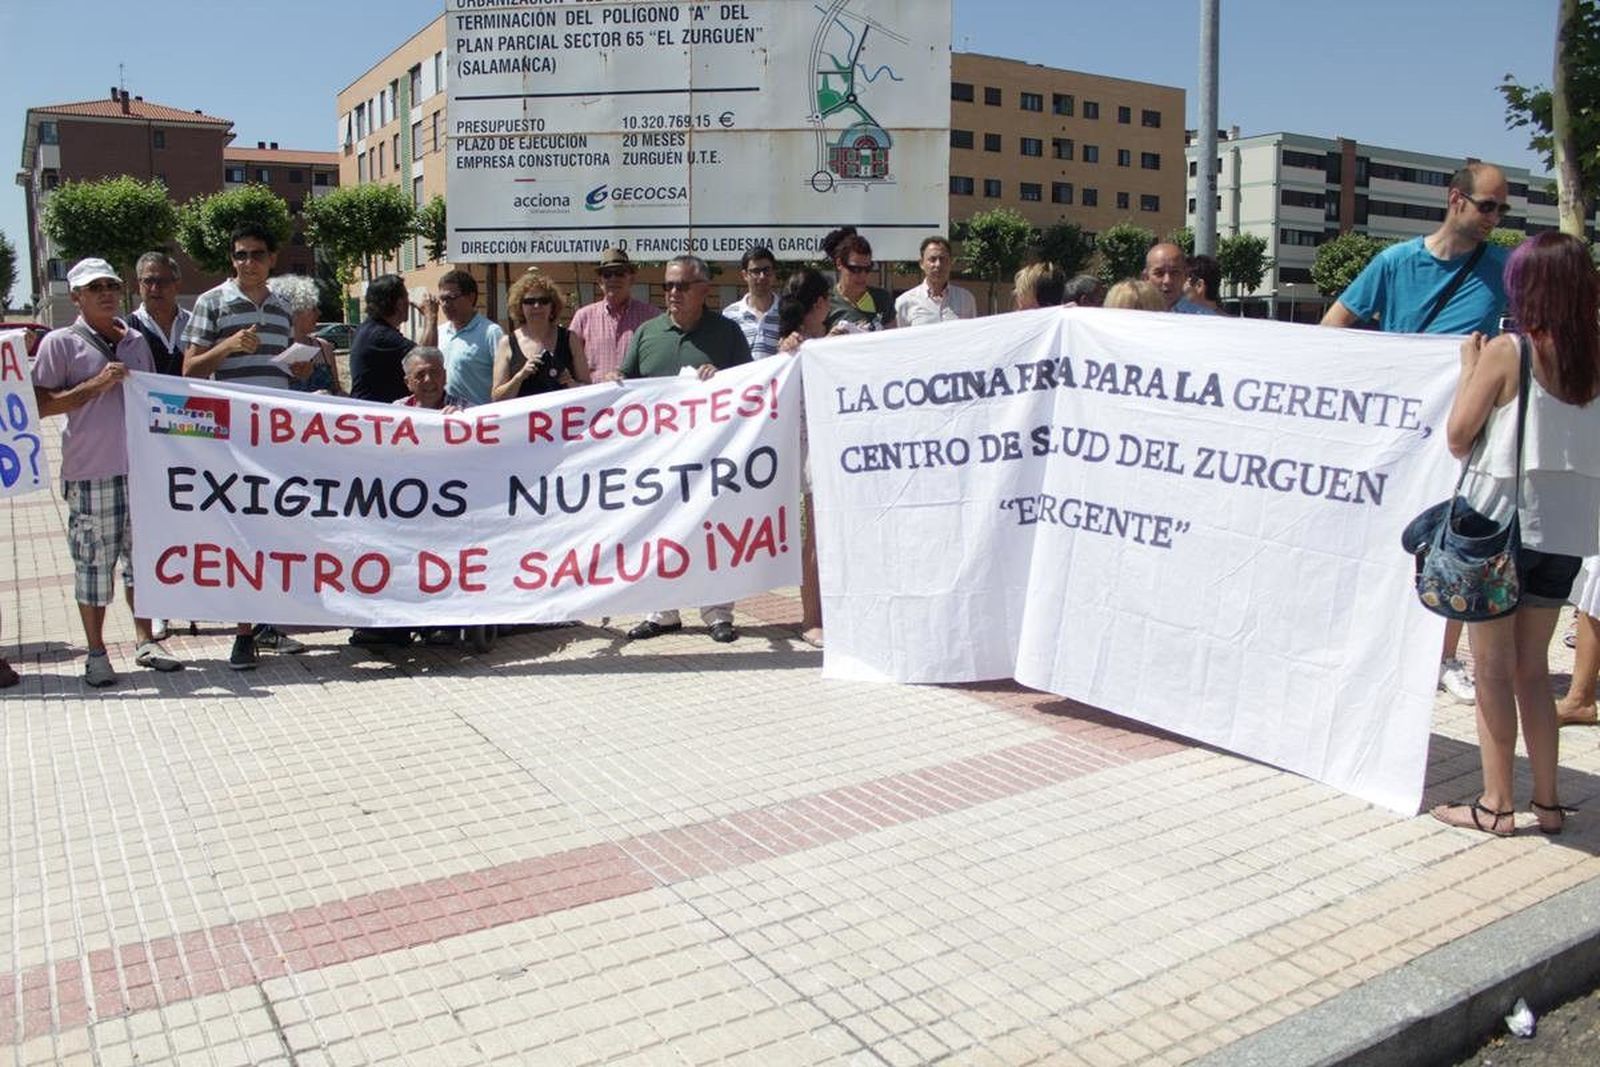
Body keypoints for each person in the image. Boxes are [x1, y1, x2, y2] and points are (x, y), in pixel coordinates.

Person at [1322, 163, 1514, 706]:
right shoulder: (1395, 262)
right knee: (1385, 534)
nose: (1495, 219)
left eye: (1501, 209)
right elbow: (1333, 327)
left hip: (1463, 430)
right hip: (1397, 429)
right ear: (1456, 199)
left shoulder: (1503, 267)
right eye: (1487, 206)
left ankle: (1445, 656)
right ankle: (1379, 644)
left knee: (1453, 538)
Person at [1430, 232, 1600, 837]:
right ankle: (1549, 802)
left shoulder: (1510, 351)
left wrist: (1471, 369)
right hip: (1565, 530)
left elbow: (1457, 436)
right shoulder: (1595, 357)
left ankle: (1496, 804)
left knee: (1493, 672)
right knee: (1533, 670)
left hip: (1497, 524)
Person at [31, 257, 185, 686]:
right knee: (93, 565)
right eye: (94, 287)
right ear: (76, 296)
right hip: (91, 471)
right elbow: (40, 404)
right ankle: (96, 653)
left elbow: (154, 400)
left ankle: (145, 640)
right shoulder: (59, 343)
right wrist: (93, 387)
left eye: (111, 285)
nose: (105, 293)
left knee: (143, 561)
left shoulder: (135, 340)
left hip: (140, 471)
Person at [182, 224, 310, 668]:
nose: (248, 262)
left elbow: (277, 369)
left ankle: (266, 624)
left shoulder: (281, 307)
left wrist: (294, 371)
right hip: (231, 441)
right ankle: (242, 635)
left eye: (256, 254)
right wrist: (228, 345)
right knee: (239, 536)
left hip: (273, 441)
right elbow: (191, 372)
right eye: (240, 255)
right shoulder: (211, 302)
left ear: (272, 258)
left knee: (272, 533)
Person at [612, 255, 753, 644]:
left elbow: (749, 386)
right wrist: (615, 380)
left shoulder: (727, 333)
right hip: (658, 459)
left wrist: (722, 379)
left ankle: (717, 612)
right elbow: (627, 381)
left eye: (682, 285)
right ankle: (662, 611)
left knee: (712, 528)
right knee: (658, 527)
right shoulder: (647, 333)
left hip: (711, 457)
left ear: (704, 289)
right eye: (668, 285)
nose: (672, 292)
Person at [777, 268, 835, 648]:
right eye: (827, 298)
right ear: (817, 304)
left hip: (837, 447)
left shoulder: (833, 340)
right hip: (812, 450)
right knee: (814, 534)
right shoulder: (791, 349)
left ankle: (831, 611)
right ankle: (811, 617)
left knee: (832, 535)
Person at [492, 270, 589, 400]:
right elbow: (496, 398)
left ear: (552, 305)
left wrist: (571, 383)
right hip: (524, 419)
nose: (537, 306)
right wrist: (520, 376)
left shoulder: (570, 339)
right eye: (529, 301)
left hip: (562, 418)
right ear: (520, 306)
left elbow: (589, 389)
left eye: (544, 301)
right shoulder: (507, 343)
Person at [568, 248, 660, 381]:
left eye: (620, 273)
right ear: (600, 282)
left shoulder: (651, 317)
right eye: (607, 274)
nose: (613, 279)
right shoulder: (583, 317)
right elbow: (568, 361)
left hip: (635, 399)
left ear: (631, 279)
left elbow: (659, 362)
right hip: (595, 398)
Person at [348, 274, 429, 403]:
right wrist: (431, 317)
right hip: (377, 415)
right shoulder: (381, 336)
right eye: (407, 297)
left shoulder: (369, 329)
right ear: (399, 303)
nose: (410, 303)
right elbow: (426, 358)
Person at [429, 269, 502, 407]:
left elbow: (503, 379)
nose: (445, 305)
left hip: (477, 419)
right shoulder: (439, 332)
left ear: (471, 297)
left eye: (451, 298)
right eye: (442, 300)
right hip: (444, 418)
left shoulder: (491, 333)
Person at [269, 275, 344, 396]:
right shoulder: (271, 349)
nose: (319, 313)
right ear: (294, 312)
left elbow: (338, 390)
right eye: (313, 308)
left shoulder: (324, 348)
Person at [127, 252, 189, 377]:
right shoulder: (126, 330)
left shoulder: (194, 324)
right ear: (138, 285)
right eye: (148, 281)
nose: (155, 288)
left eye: (163, 281)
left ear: (177, 285)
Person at [824, 229, 895, 332]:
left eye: (867, 269)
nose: (863, 275)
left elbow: (893, 340)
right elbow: (813, 342)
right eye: (856, 269)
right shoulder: (826, 303)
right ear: (839, 263)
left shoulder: (882, 299)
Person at [896, 235, 975, 326]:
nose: (938, 264)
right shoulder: (905, 302)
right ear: (922, 264)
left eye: (942, 259)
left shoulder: (965, 299)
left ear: (950, 262)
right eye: (932, 259)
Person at [723, 247, 783, 358]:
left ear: (774, 273)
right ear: (745, 275)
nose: (762, 276)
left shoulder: (787, 311)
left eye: (766, 270)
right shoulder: (729, 315)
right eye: (755, 271)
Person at [394, 347, 466, 411]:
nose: (428, 379)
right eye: (420, 375)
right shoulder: (397, 410)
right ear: (408, 382)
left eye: (434, 373)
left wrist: (459, 420)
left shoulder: (466, 411)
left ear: (444, 377)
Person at [1143, 242, 1205, 312]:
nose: (1167, 281)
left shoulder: (1205, 319)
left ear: (1186, 275)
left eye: (1175, 272)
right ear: (1146, 277)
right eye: (1159, 273)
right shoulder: (1133, 316)